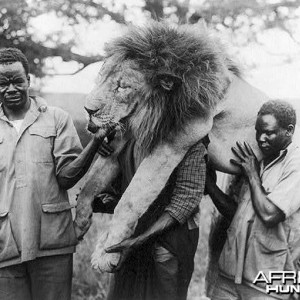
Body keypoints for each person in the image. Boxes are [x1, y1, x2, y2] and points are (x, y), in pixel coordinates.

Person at [0, 47, 114, 300]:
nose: (11, 89)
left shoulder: (56, 119)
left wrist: (95, 143)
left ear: (28, 81)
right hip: (5, 244)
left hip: (51, 240)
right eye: (2, 83)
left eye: (17, 81)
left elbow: (66, 176)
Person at [93, 136, 208, 300]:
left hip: (168, 243)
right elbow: (120, 193)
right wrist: (96, 199)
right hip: (129, 239)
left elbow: (185, 200)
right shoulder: (128, 139)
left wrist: (138, 240)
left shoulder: (189, 141)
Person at [206, 100, 300, 300]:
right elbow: (237, 213)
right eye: (258, 131)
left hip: (268, 283)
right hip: (229, 276)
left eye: (269, 132)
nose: (261, 138)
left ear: (289, 131)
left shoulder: (295, 163)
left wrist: (252, 175)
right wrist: (208, 183)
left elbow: (269, 214)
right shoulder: (258, 158)